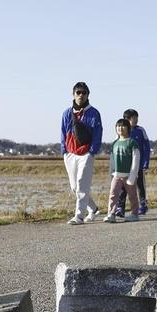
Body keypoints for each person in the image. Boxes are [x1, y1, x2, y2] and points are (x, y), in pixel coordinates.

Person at [60, 81, 102, 225]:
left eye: (84, 93)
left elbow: (98, 133)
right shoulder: (67, 113)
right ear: (73, 94)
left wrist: (92, 151)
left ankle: (79, 216)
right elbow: (63, 132)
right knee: (74, 187)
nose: (81, 95)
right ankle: (94, 209)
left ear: (88, 95)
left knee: (82, 185)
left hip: (86, 153)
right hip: (70, 153)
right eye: (78, 92)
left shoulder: (94, 113)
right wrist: (64, 151)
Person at [113, 109, 150, 217]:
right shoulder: (120, 133)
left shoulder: (140, 130)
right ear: (126, 120)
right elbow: (116, 150)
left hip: (138, 164)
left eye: (136, 118)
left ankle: (143, 204)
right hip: (124, 166)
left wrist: (145, 162)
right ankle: (121, 208)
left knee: (140, 185)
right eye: (132, 118)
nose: (135, 120)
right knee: (123, 187)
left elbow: (146, 147)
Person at [104, 118, 141, 223]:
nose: (120, 128)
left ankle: (134, 214)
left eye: (123, 126)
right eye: (118, 126)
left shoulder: (132, 143)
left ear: (128, 128)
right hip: (117, 175)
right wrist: (112, 174)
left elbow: (136, 160)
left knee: (132, 195)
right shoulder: (115, 143)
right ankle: (111, 214)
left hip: (129, 175)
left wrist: (132, 176)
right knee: (113, 194)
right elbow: (112, 160)